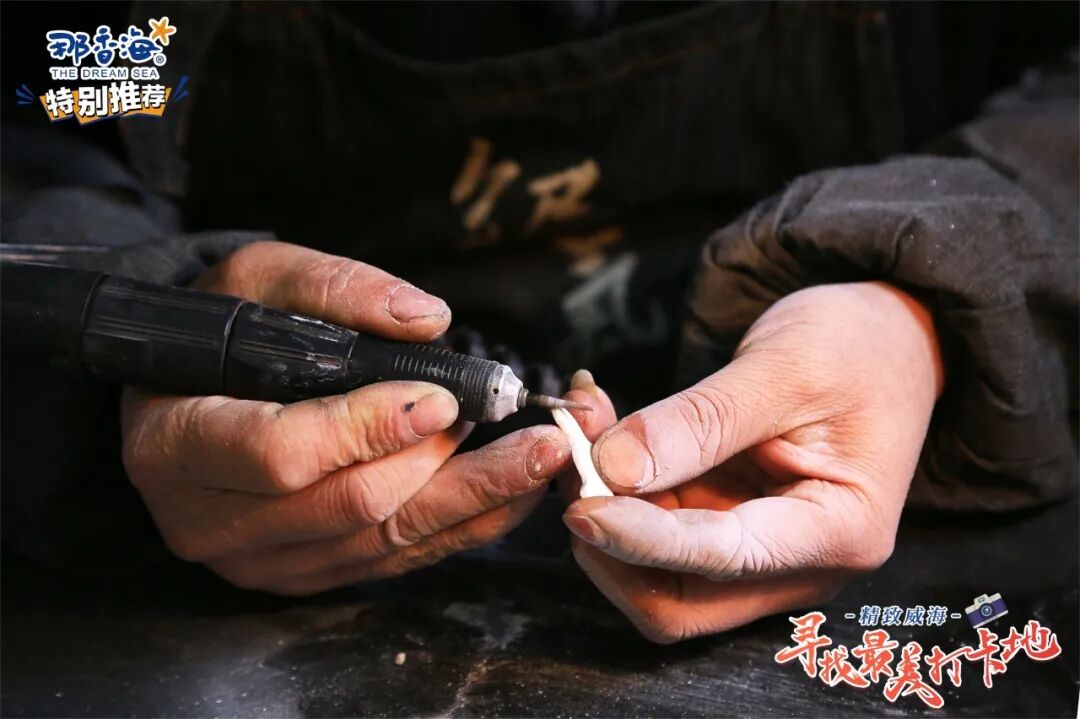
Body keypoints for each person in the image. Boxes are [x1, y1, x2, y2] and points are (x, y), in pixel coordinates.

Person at [2, 1, 1076, 643]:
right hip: (257, 594)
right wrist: (138, 357)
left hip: (934, 523)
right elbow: (50, 96)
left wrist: (923, 303)